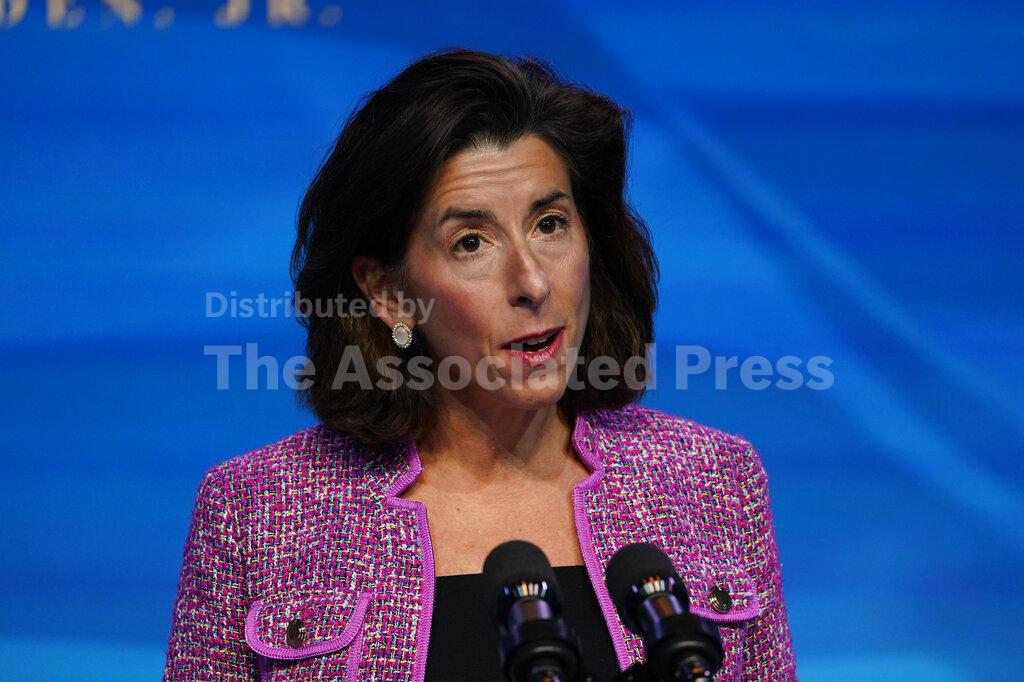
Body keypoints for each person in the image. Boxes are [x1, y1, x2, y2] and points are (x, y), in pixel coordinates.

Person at [164, 47, 797, 681]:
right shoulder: (258, 509)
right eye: (471, 242)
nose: (532, 282)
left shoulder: (710, 481)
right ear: (386, 292)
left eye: (550, 224)